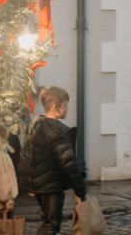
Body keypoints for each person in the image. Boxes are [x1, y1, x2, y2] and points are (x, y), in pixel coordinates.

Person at [18, 86, 88, 235]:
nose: (67, 109)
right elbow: (69, 164)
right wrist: (80, 191)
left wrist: (28, 184)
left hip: (40, 185)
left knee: (48, 222)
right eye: (65, 105)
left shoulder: (37, 126)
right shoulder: (58, 132)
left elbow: (26, 156)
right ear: (56, 107)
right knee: (52, 224)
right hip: (52, 186)